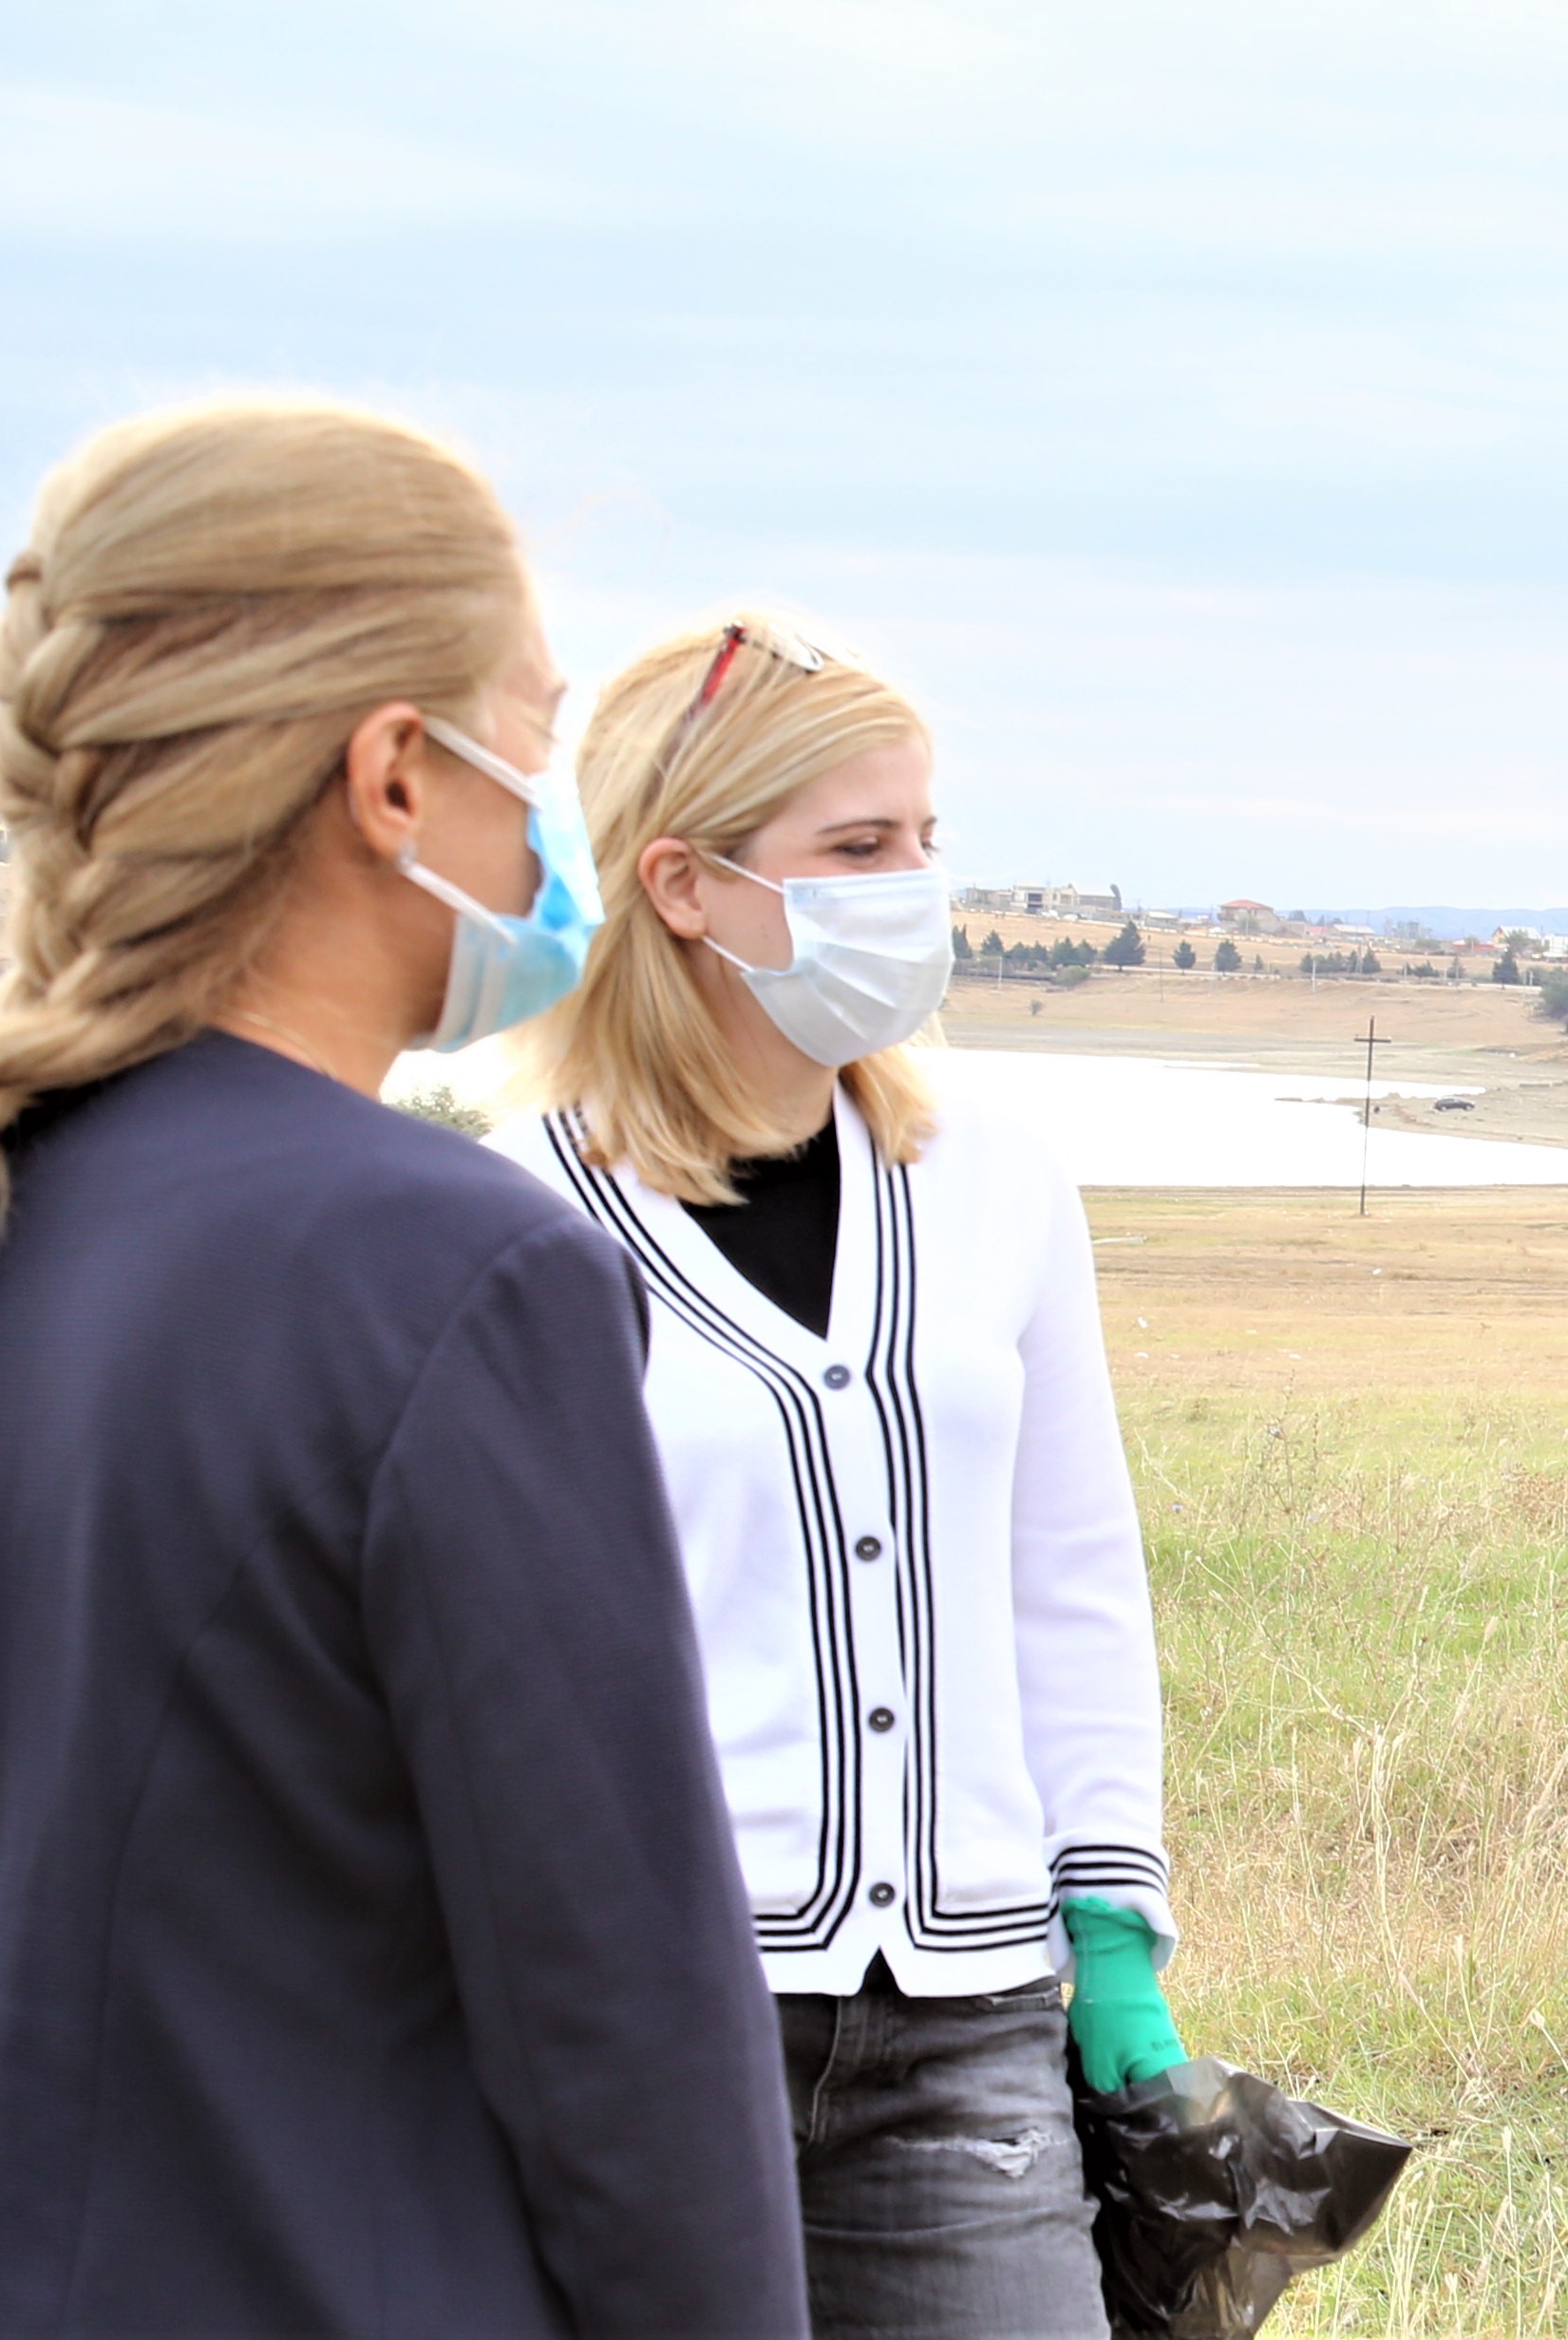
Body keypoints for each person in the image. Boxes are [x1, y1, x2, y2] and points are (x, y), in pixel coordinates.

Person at [0, 401, 803, 2334]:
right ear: (388, 778)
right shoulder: (459, 1272)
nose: (553, 833)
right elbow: (627, 2041)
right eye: (531, 746)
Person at [501, 613, 1179, 2340]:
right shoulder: (512, 1226)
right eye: (859, 847)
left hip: (967, 2025)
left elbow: (1071, 1572)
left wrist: (1110, 1931)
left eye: (926, 840)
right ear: (684, 885)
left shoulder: (998, 1188)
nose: (917, 886)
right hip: (647, 2016)